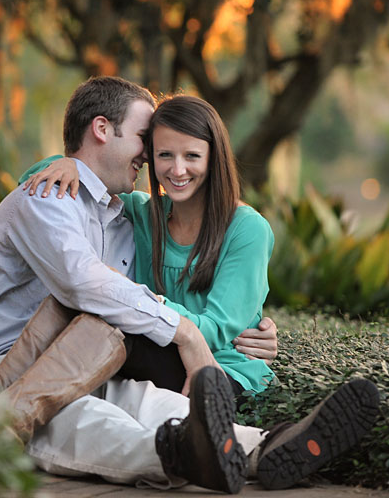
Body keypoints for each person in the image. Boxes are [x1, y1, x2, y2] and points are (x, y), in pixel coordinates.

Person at [0, 77, 379, 492]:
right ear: (101, 130)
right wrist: (184, 331)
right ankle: (178, 453)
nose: (153, 159)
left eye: (185, 154)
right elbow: (81, 284)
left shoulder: (121, 216)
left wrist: (235, 332)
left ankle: (266, 446)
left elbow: (197, 311)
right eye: (148, 144)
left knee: (143, 401)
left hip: (80, 360)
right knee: (80, 418)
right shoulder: (51, 196)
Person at [21, 95, 273, 402]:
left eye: (192, 156)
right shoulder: (141, 212)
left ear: (213, 157)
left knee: (109, 323)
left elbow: (216, 329)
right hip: (154, 355)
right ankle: (7, 406)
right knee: (87, 319)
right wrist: (70, 165)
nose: (178, 170)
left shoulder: (246, 229)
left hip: (220, 372)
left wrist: (140, 301)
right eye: (165, 155)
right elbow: (31, 183)